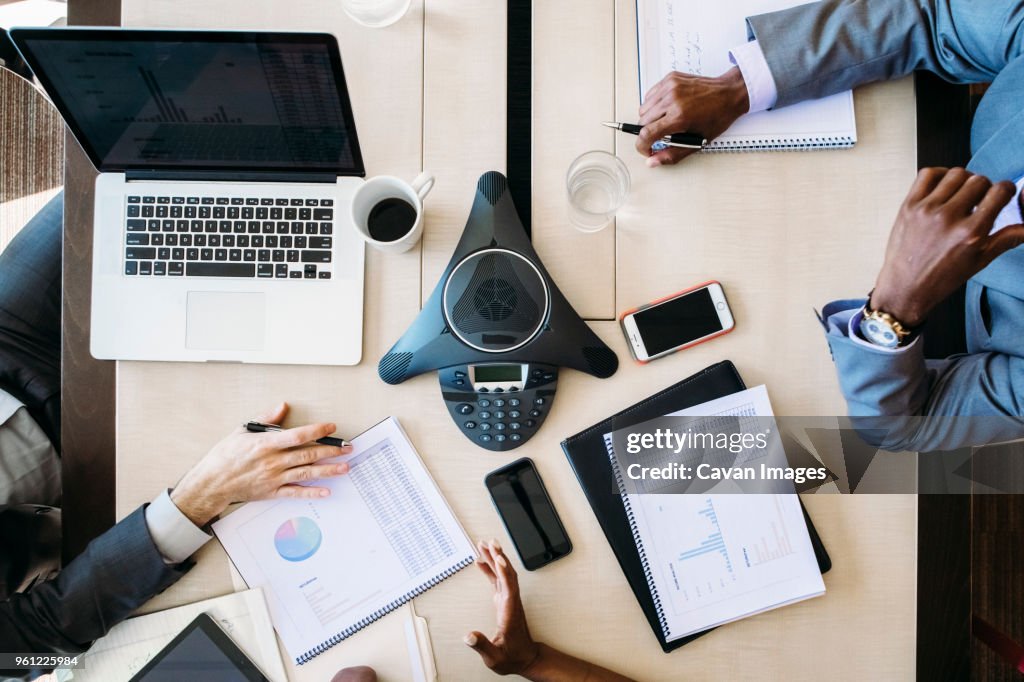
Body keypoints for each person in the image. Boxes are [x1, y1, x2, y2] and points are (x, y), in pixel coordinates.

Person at [635, 0, 1024, 451]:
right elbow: (933, 17)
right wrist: (740, 87)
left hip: (911, 338)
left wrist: (896, 303)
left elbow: (904, 427)